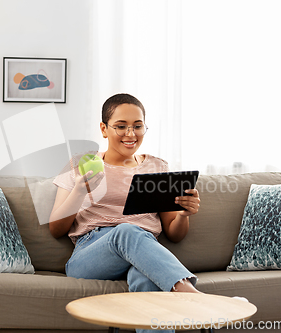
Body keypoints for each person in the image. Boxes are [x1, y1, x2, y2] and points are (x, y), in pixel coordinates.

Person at [49, 93, 201, 333]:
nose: (131, 134)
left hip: (143, 250)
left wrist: (183, 215)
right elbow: (56, 228)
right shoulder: (81, 163)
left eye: (137, 126)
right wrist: (79, 191)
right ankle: (191, 295)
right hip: (90, 255)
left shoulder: (157, 167)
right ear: (104, 129)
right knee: (126, 231)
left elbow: (174, 234)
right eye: (121, 126)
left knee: (146, 278)